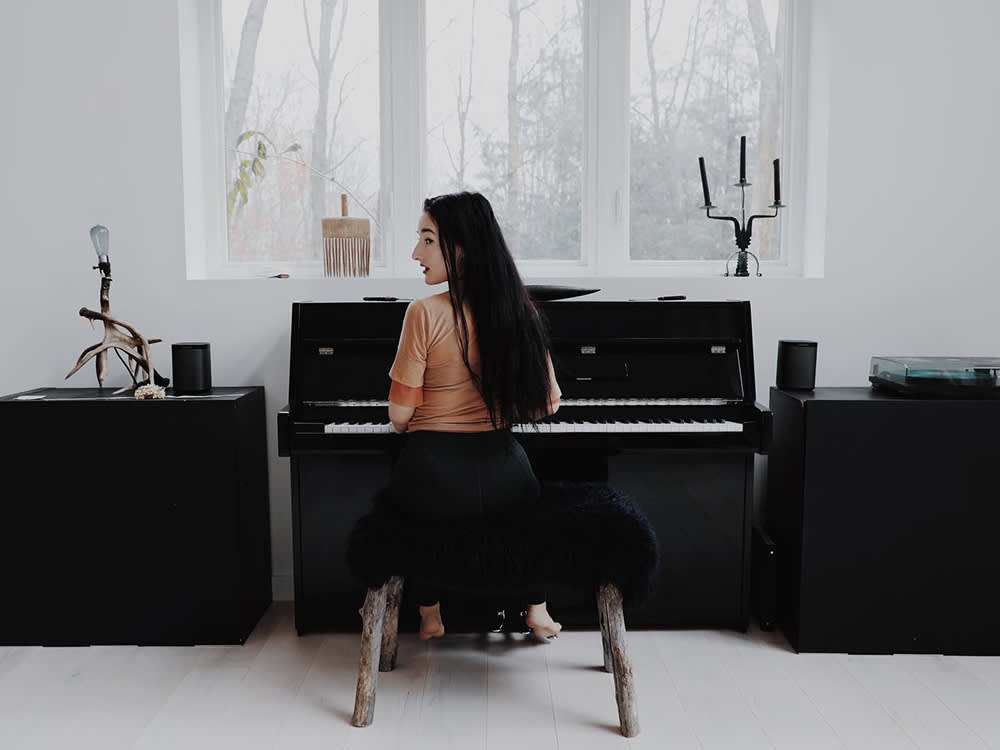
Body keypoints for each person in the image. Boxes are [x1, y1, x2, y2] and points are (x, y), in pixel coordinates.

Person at [386, 191, 563, 642]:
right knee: (527, 513)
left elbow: (399, 416)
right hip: (505, 470)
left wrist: (422, 415)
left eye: (427, 240)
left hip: (433, 470)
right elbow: (548, 403)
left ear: (460, 247)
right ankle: (537, 609)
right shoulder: (518, 310)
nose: (416, 253)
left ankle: (430, 612)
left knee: (419, 514)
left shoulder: (422, 313)